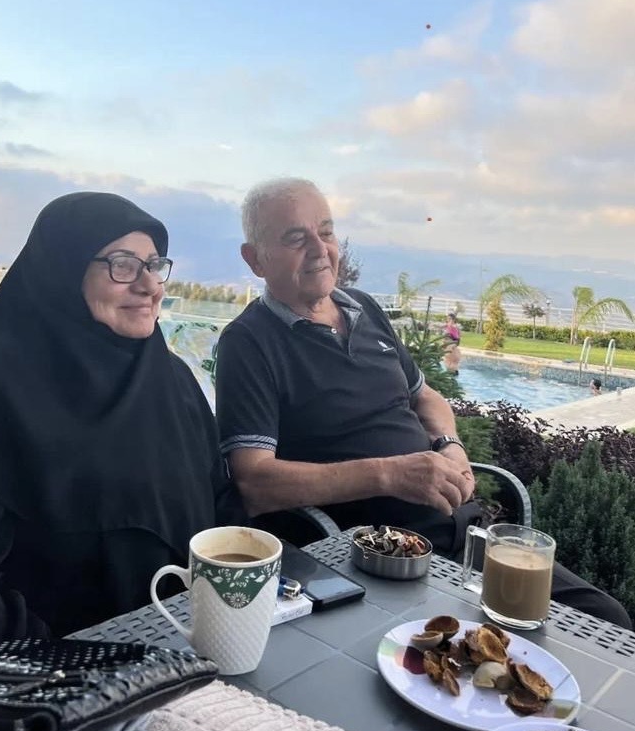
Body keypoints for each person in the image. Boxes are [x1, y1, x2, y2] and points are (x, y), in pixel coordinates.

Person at [214, 177, 631, 629]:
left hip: (466, 538)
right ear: (255, 259)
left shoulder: (364, 308)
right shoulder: (249, 342)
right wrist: (391, 474)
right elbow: (255, 483)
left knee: (605, 619)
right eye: (296, 238)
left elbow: (426, 397)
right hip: (380, 558)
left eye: (327, 231)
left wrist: (450, 445)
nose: (320, 249)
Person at [0, 192, 244, 653]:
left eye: (154, 264)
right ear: (63, 270)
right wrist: (72, 669)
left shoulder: (172, 381)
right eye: (123, 265)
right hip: (60, 667)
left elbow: (221, 508)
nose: (150, 285)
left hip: (193, 642)